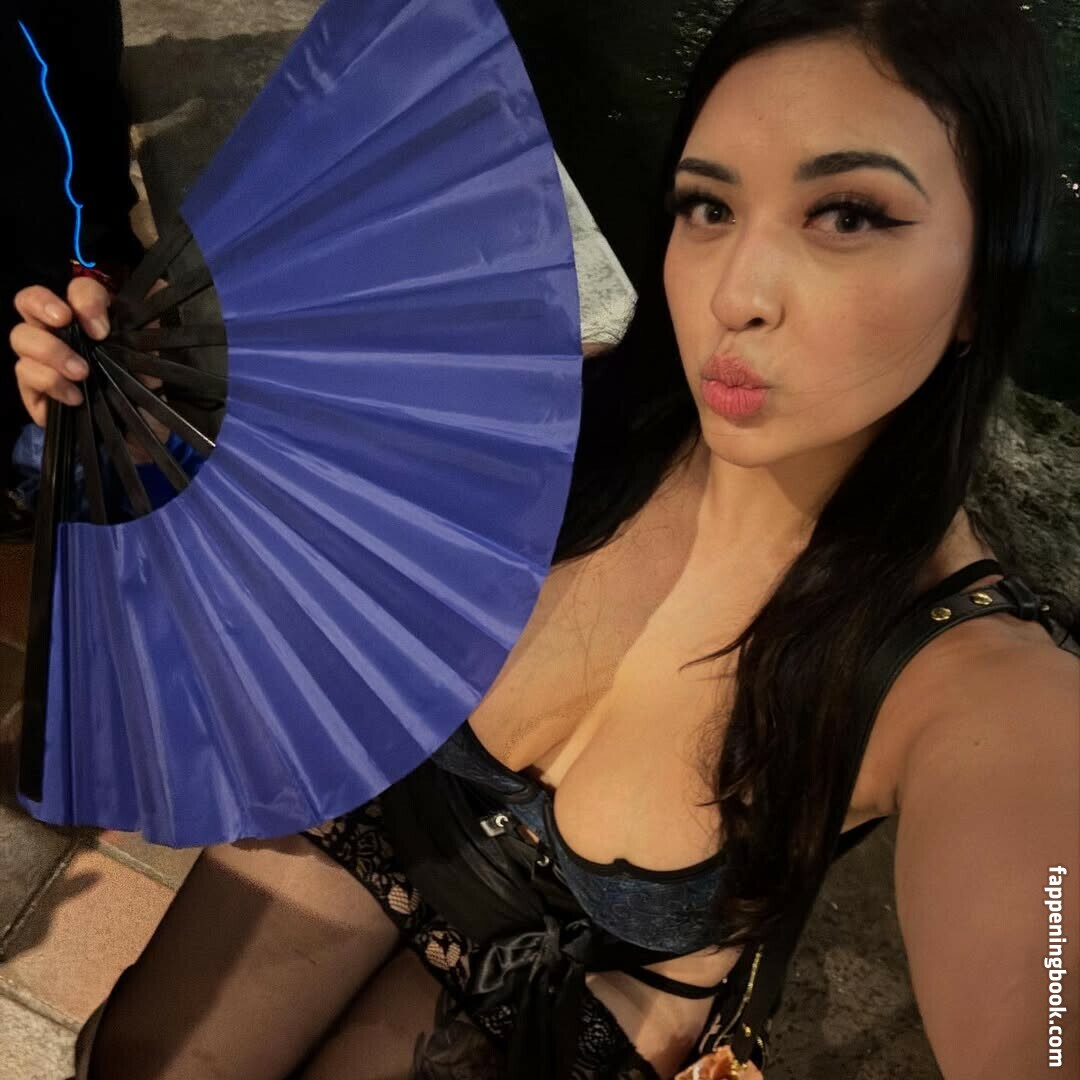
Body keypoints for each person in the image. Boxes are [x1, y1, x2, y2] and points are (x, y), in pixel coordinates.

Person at [9, 0, 1079, 1077]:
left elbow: (1041, 990)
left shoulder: (978, 690)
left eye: (846, 214)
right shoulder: (565, 422)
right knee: (142, 1059)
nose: (736, 294)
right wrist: (137, 423)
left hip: (595, 987)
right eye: (708, 206)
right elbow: (294, 537)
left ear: (986, 276)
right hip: (403, 815)